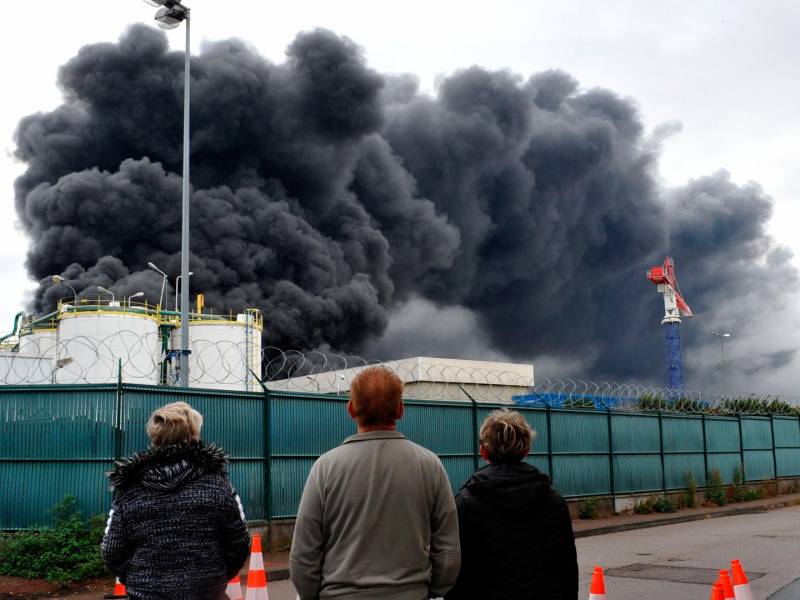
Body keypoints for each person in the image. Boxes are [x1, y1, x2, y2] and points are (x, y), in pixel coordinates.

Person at [290, 367, 461, 600]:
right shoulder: (429, 465)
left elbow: (303, 553)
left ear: (350, 408)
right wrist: (433, 590)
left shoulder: (326, 467)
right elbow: (448, 549)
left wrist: (313, 595)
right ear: (401, 410)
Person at [101, 401, 250, 600]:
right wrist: (214, 576)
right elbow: (239, 544)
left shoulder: (130, 489)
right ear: (194, 434)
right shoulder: (218, 485)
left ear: (155, 436)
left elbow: (112, 551)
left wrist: (142, 579)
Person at [446, 409, 578, 600]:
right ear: (526, 450)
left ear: (483, 451)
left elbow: (457, 571)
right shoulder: (553, 500)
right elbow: (566, 567)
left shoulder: (466, 503)